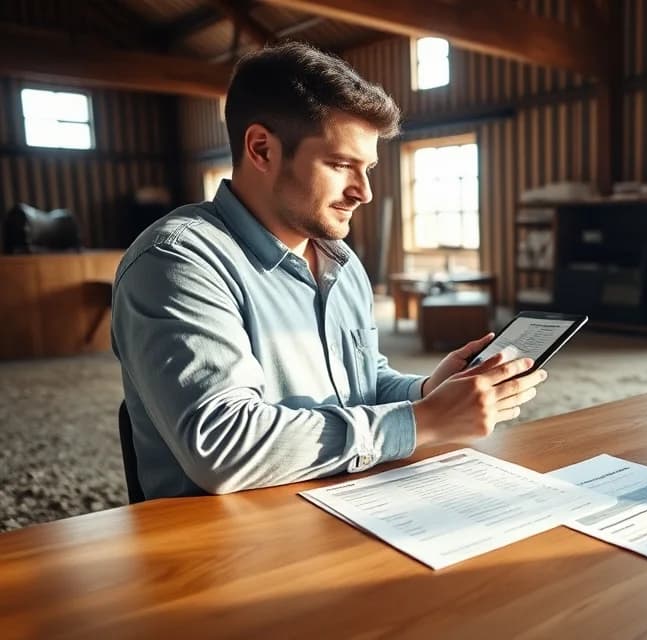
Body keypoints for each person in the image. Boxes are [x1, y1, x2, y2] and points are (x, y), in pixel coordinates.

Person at [111, 42, 545, 499]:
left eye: (369, 168)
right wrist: (424, 421)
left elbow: (360, 383)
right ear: (262, 149)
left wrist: (427, 391)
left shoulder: (340, 260)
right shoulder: (176, 262)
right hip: (226, 546)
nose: (364, 192)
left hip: (349, 502)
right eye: (341, 165)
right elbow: (222, 446)